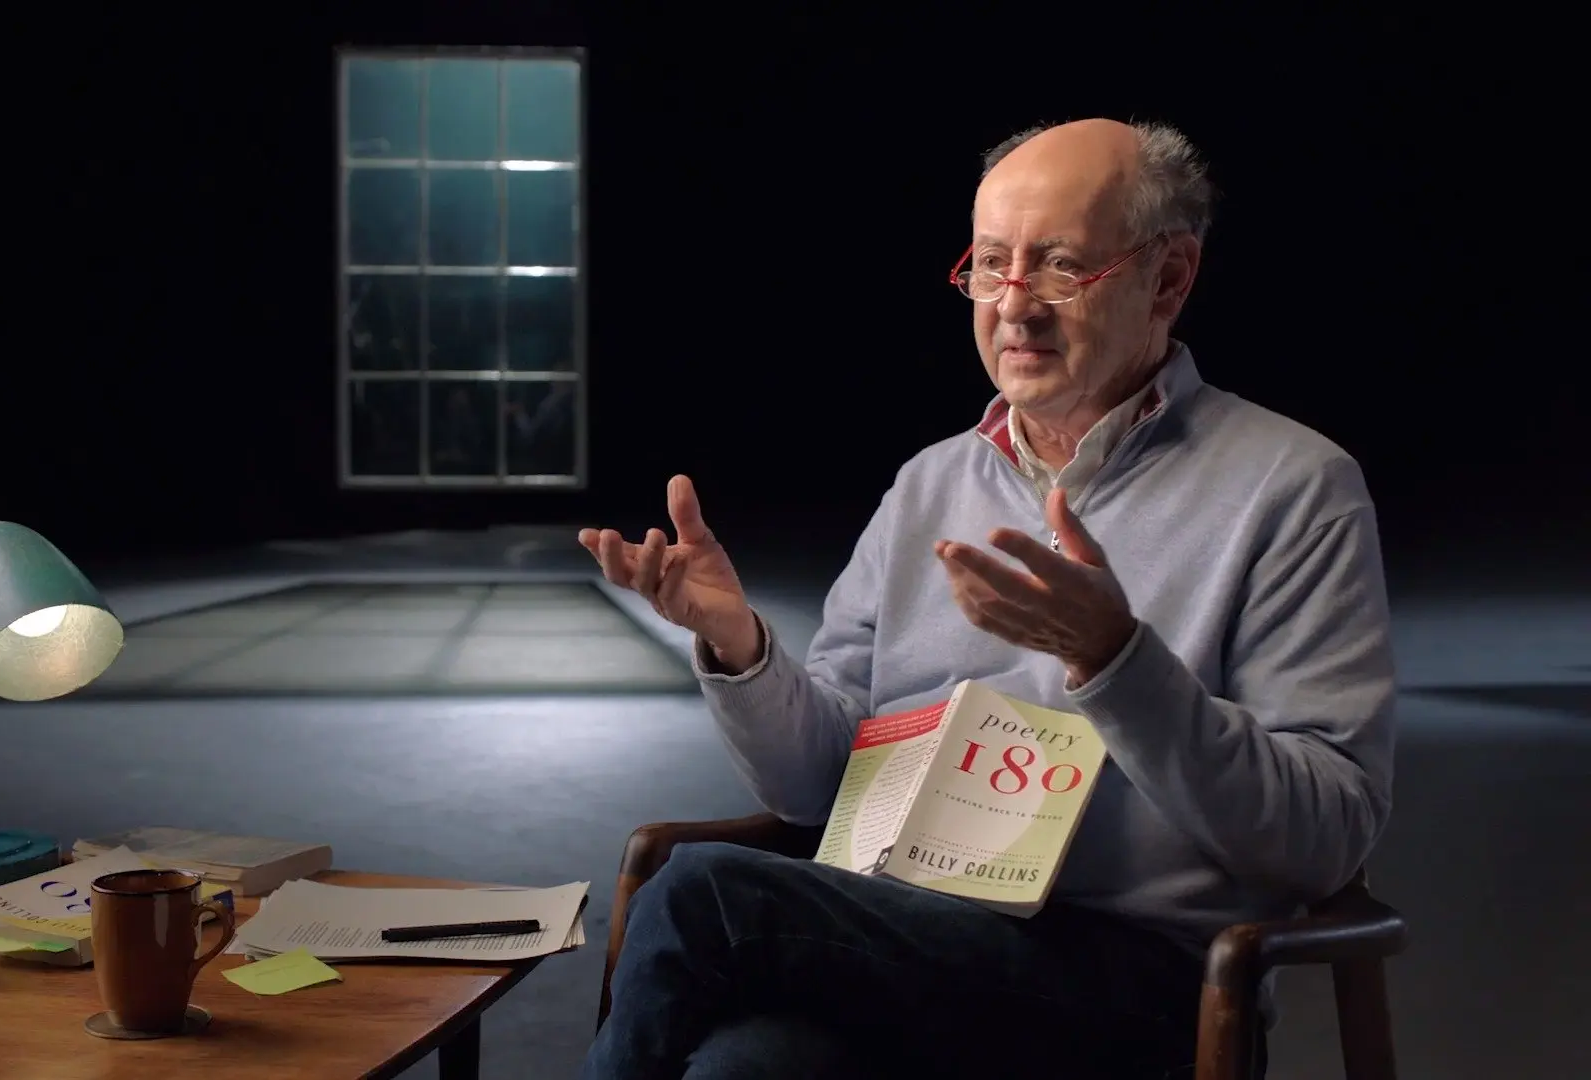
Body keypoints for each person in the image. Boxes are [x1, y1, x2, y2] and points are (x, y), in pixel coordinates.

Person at [576, 118, 1396, 1079]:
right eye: (992, 264)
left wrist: (1117, 662)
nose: (1014, 306)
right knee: (743, 1070)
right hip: (907, 942)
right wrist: (741, 649)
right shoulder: (929, 484)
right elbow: (815, 786)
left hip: (1144, 984)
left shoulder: (1293, 487)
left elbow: (1323, 839)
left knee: (704, 895)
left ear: (1169, 279)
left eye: (1059, 267)